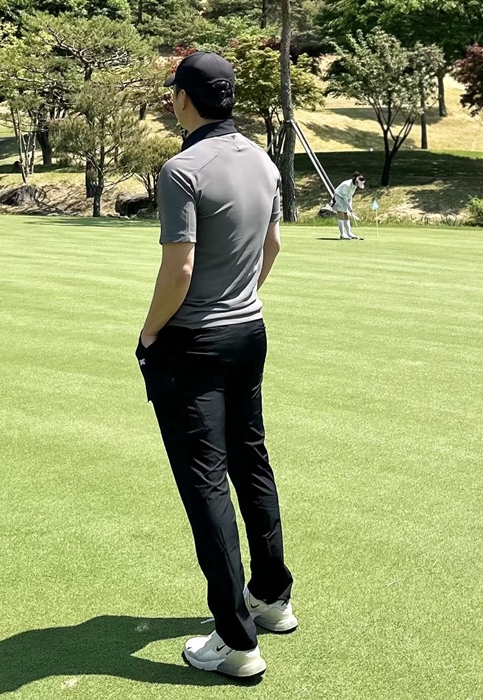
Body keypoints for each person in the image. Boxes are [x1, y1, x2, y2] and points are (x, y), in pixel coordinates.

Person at [136, 51, 297, 681]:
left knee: (205, 482)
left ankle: (236, 640)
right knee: (251, 461)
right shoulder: (262, 159)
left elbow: (178, 270)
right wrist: (240, 299)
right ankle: (271, 597)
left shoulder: (182, 170)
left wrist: (150, 333)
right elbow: (272, 245)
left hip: (194, 343)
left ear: (183, 98)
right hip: (249, 332)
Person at [332, 172, 365, 239]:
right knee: (341, 215)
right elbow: (344, 196)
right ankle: (342, 234)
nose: (358, 186)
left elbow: (350, 196)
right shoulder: (346, 185)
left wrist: (350, 206)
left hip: (345, 199)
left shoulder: (354, 185)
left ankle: (349, 233)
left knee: (346, 216)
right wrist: (348, 207)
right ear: (356, 181)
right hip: (338, 198)